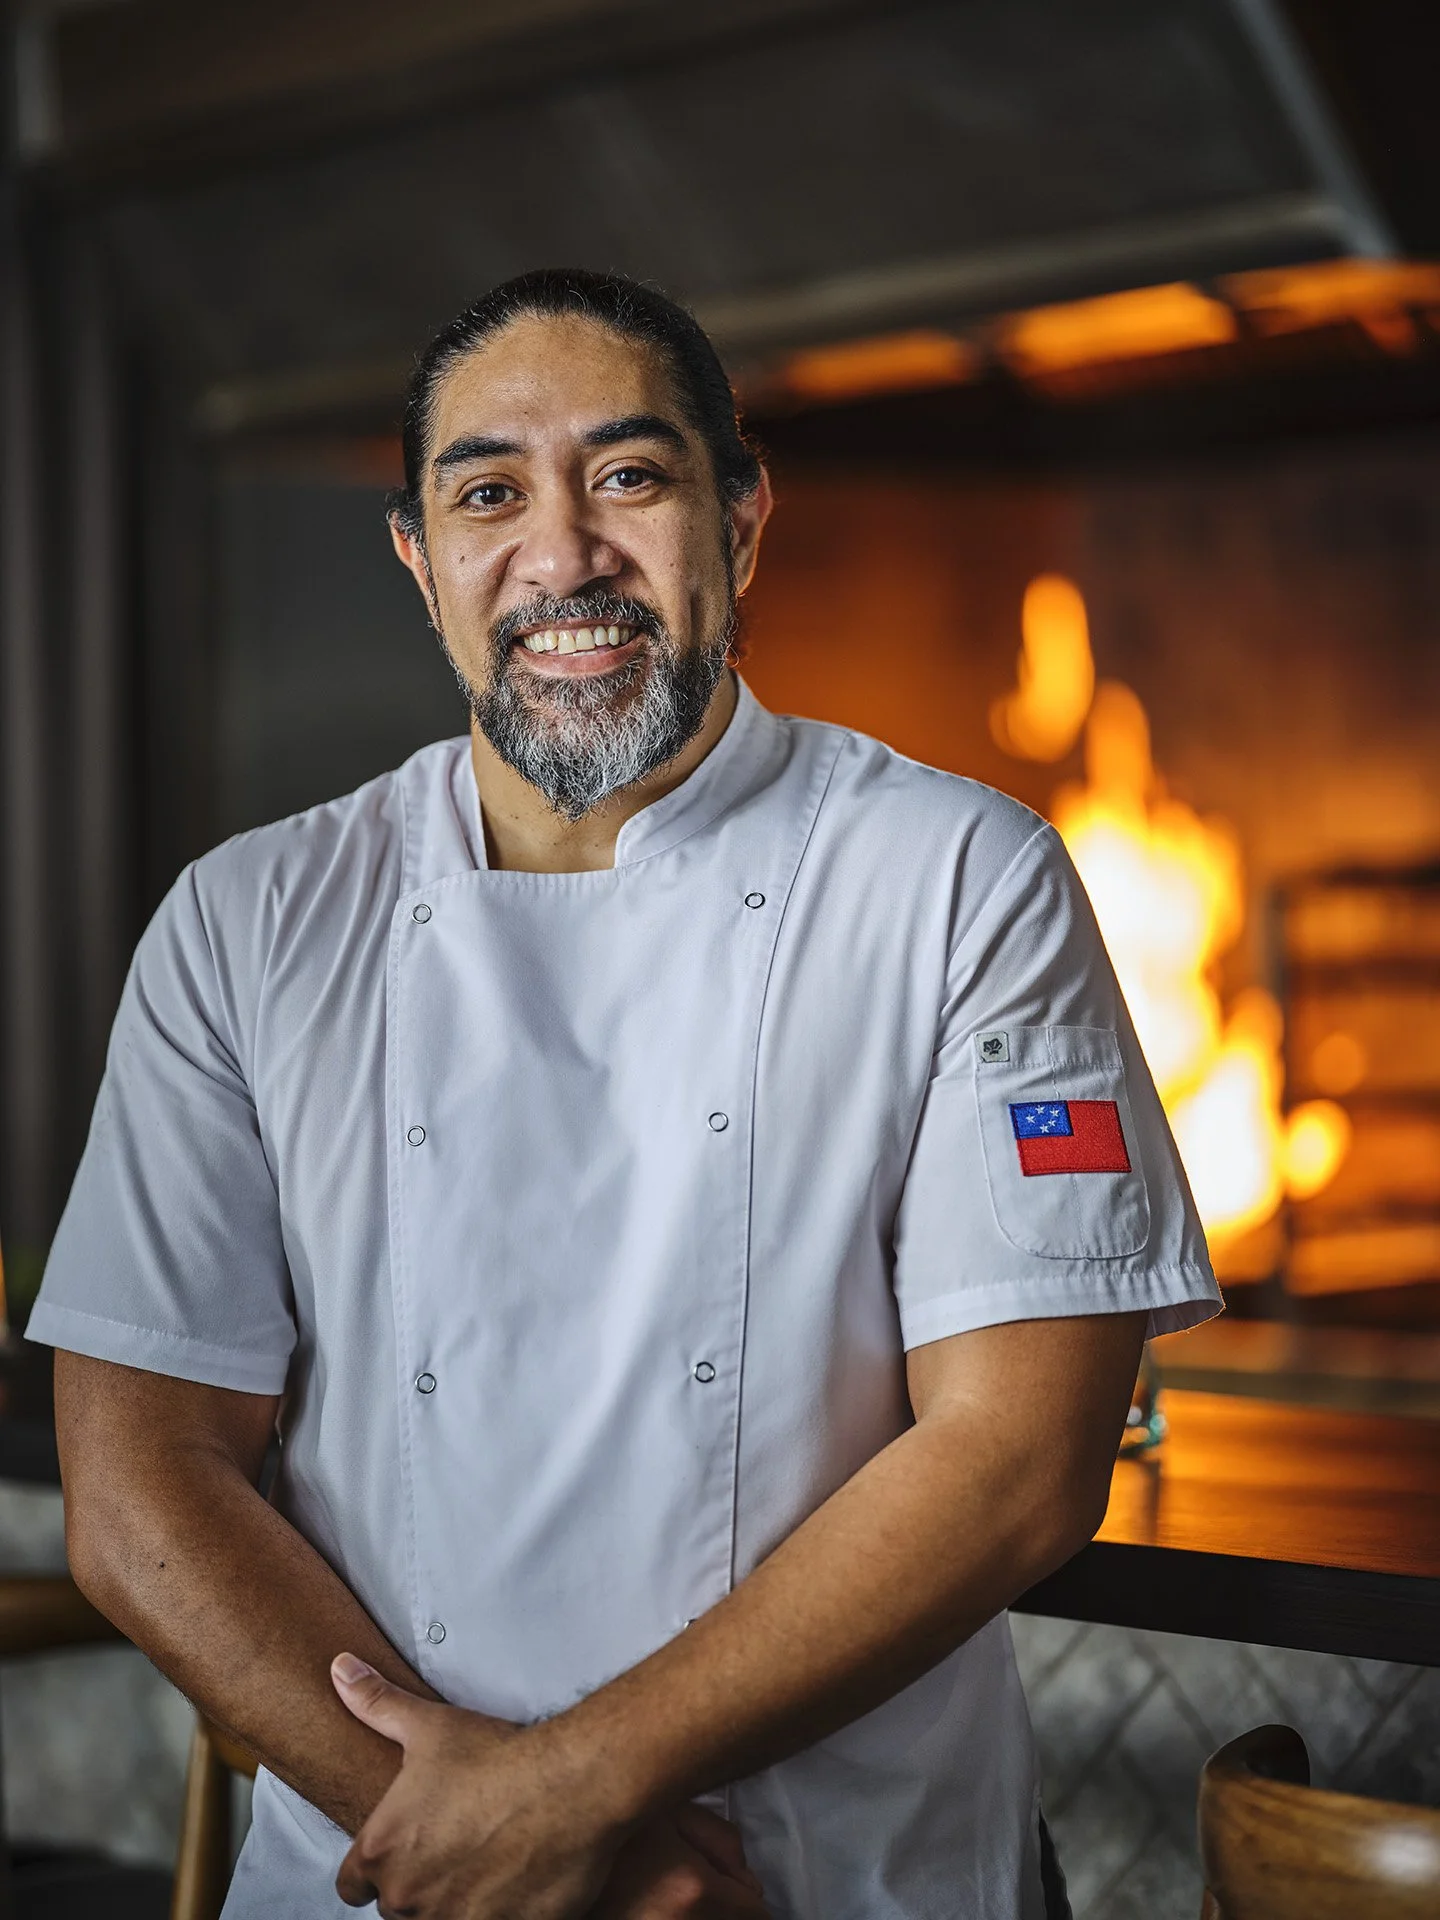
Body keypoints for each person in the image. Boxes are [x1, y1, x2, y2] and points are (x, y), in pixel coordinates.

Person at [32, 268, 1220, 1920]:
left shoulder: (956, 880)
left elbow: (1023, 1456)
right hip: (396, 1882)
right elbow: (141, 1480)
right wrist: (507, 1842)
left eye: (632, 476)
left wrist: (576, 1789)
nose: (563, 553)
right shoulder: (248, 923)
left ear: (740, 525)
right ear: (419, 564)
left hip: (822, 1882)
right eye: (489, 494)